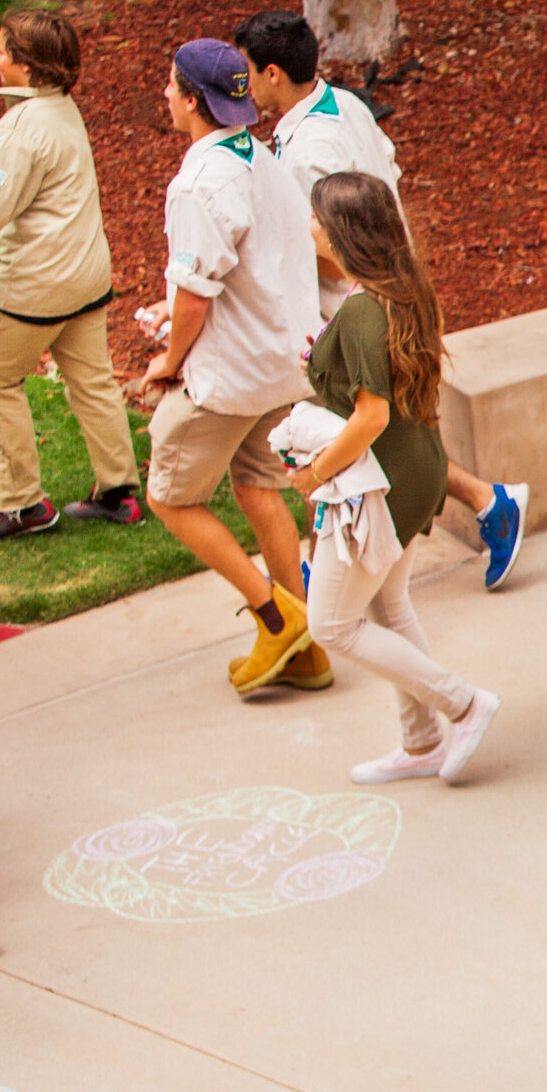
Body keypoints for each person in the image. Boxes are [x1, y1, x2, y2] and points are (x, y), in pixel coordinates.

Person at [233, 9, 531, 590]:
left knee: (353, 430)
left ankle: (334, 567)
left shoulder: (304, 154)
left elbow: (329, 242)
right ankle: (488, 504)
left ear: (272, 74)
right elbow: (386, 174)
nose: (243, 84)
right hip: (395, 285)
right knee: (387, 428)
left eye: (247, 71)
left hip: (353, 305)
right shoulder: (344, 104)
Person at [287, 171, 501, 784]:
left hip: (378, 486)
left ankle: (462, 704)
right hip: (418, 471)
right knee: (387, 602)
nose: (311, 229)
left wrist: (316, 472)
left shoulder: (359, 310)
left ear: (340, 235)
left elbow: (371, 414)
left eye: (317, 220)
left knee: (329, 623)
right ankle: (421, 743)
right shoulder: (403, 290)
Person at [140, 38, 328, 695]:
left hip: (230, 376)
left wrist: (168, 362)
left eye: (170, 86)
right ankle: (310, 652)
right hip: (286, 362)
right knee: (258, 485)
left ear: (193, 100)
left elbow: (195, 297)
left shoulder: (197, 181)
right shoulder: (264, 160)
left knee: (169, 493)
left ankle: (278, 618)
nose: (165, 95)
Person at [0, 9, 140, 536]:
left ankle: (20, 505)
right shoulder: (61, 107)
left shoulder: (20, 130)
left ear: (28, 67)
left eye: (2, 50)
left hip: (36, 285)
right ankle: (118, 491)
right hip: (86, 276)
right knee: (93, 382)